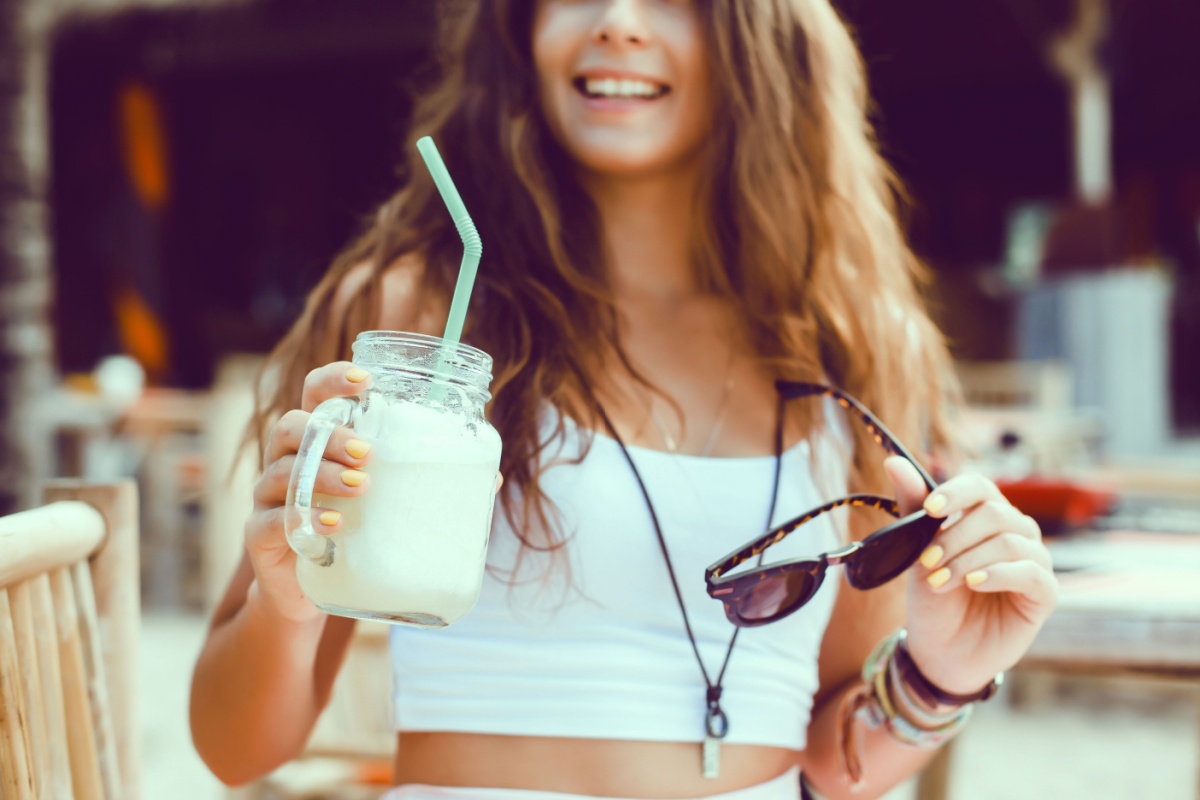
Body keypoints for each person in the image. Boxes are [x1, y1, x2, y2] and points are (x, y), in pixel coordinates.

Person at [189, 2, 1058, 798]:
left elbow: (830, 761)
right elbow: (235, 751)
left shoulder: (854, 346)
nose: (617, 22)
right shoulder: (418, 319)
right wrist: (289, 598)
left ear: (760, 36)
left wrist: (939, 676)